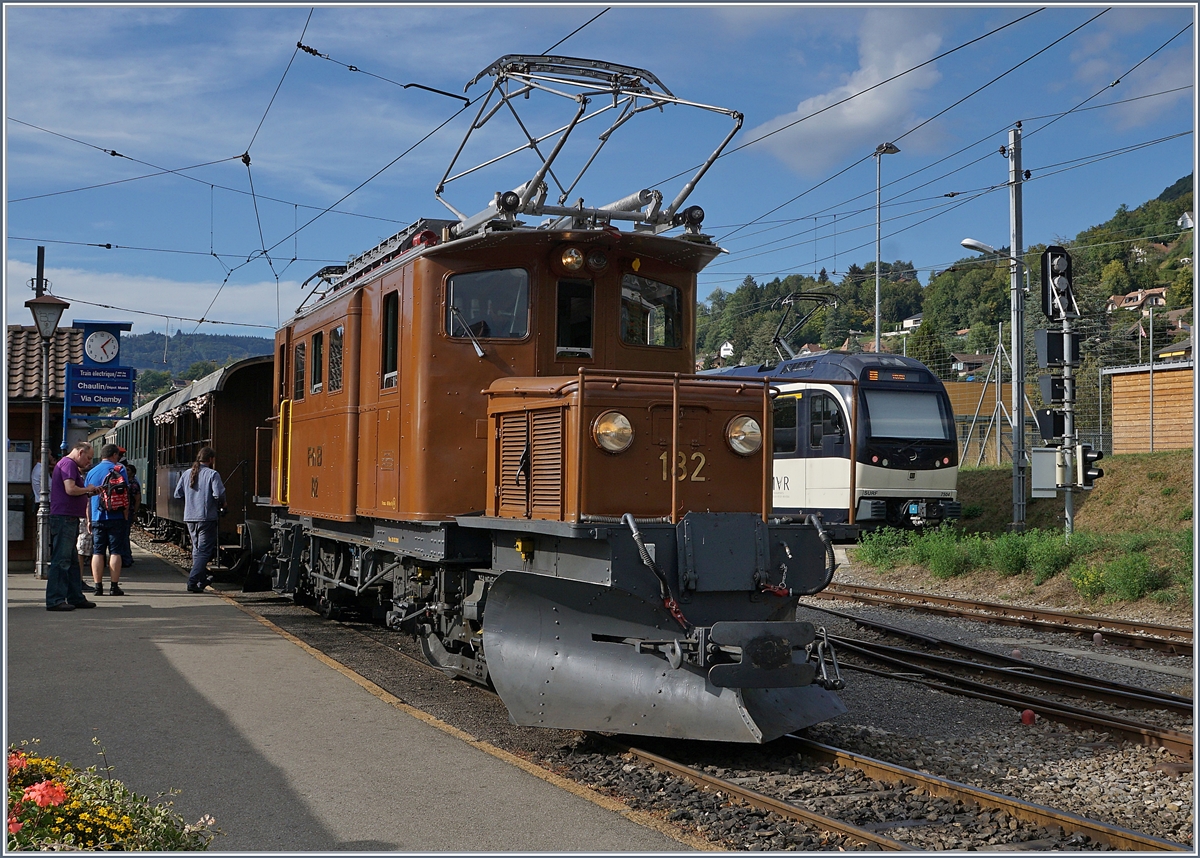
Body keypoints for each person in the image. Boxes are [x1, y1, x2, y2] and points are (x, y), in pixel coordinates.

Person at [46, 442, 99, 611]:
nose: (89, 462)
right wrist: (87, 489)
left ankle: (75, 596)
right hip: (64, 517)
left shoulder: (67, 465)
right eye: (88, 458)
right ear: (80, 452)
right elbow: (70, 489)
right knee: (61, 560)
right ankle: (55, 599)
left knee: (72, 562)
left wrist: (88, 491)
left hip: (67, 518)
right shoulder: (68, 464)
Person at [174, 447, 226, 593]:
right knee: (203, 552)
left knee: (197, 550)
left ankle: (202, 581)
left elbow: (177, 494)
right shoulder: (212, 474)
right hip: (206, 517)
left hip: (190, 517)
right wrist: (223, 504)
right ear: (211, 459)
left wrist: (191, 500)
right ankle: (192, 581)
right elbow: (218, 494)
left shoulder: (186, 473)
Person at [85, 444, 130, 596]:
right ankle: (114, 587)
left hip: (97, 516)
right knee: (115, 552)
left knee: (98, 552)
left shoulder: (91, 472)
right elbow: (124, 495)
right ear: (114, 455)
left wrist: (89, 519)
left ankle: (98, 587)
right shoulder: (119, 469)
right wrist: (125, 515)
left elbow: (87, 498)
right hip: (116, 516)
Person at [119, 454, 140, 568]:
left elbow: (137, 499)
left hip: (128, 511)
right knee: (124, 536)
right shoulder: (128, 483)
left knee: (124, 535)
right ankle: (127, 557)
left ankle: (126, 558)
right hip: (126, 511)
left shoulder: (133, 485)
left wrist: (135, 513)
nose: (125, 471)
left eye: (128, 470)